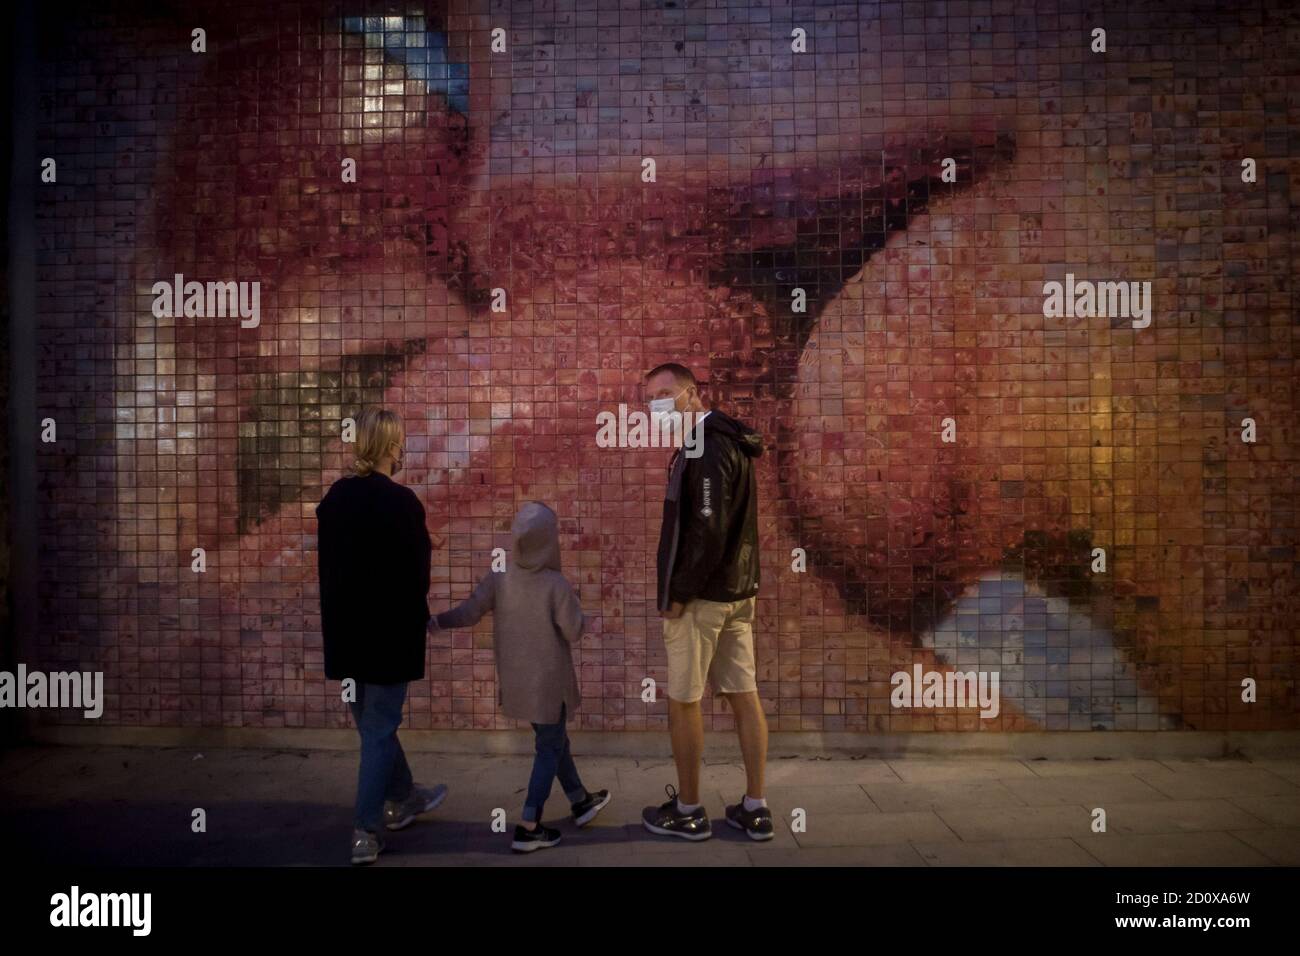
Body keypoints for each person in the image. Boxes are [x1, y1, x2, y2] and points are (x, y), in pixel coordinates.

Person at [641, 363, 772, 841]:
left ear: (691, 393)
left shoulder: (709, 444)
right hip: (735, 592)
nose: (655, 405)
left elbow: (709, 528)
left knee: (683, 701)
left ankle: (690, 811)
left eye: (663, 393)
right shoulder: (722, 440)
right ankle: (755, 808)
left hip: (703, 599)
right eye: (648, 398)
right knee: (743, 694)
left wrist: (679, 593)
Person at [433, 501, 611, 852]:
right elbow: (573, 631)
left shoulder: (500, 576)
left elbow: (470, 612)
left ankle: (580, 800)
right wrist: (587, 619)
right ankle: (529, 824)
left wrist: (438, 622)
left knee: (553, 740)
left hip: (517, 684)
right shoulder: (555, 583)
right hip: (549, 686)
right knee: (549, 746)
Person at [316, 407, 448, 865]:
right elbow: (415, 578)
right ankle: (366, 831)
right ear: (392, 446)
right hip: (390, 636)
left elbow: (341, 563)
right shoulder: (404, 502)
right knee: (378, 729)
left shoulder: (334, 498)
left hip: (346, 635)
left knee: (374, 726)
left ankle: (406, 794)